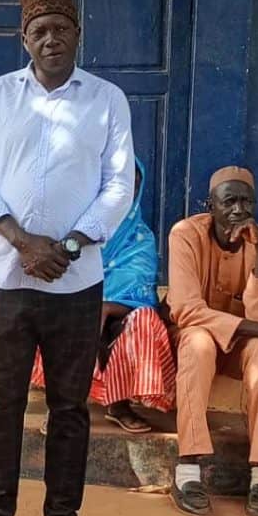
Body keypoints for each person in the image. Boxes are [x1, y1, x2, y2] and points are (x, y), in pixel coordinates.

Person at [0, 0, 134, 516]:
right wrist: (21, 240)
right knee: (1, 403)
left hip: (75, 283)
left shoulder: (106, 100)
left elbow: (118, 185)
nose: (51, 39)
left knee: (70, 407)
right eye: (40, 31)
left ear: (78, 35)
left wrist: (72, 244)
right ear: (24, 39)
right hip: (7, 278)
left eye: (61, 29)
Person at [32, 158, 176, 432]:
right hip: (77, 305)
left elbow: (141, 292)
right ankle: (61, 406)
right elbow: (59, 276)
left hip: (119, 315)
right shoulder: (74, 234)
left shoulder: (141, 238)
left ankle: (119, 404)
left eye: (131, 188)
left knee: (146, 320)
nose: (123, 195)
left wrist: (106, 308)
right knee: (51, 309)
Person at [167, 166, 258, 516]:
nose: (238, 210)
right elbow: (186, 310)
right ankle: (188, 470)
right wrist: (252, 327)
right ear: (211, 205)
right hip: (194, 339)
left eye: (246, 201)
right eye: (229, 201)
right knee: (198, 343)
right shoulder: (185, 234)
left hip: (240, 345)